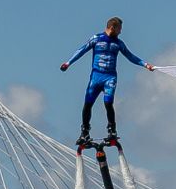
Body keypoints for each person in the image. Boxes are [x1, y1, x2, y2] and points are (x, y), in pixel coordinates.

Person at [61, 16, 156, 146]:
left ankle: (112, 130)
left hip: (110, 77)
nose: (121, 32)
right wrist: (68, 63)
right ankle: (85, 131)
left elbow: (130, 56)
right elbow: (82, 50)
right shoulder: (96, 39)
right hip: (96, 77)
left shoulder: (118, 44)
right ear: (113, 27)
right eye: (119, 29)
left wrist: (145, 65)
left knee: (108, 103)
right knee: (88, 104)